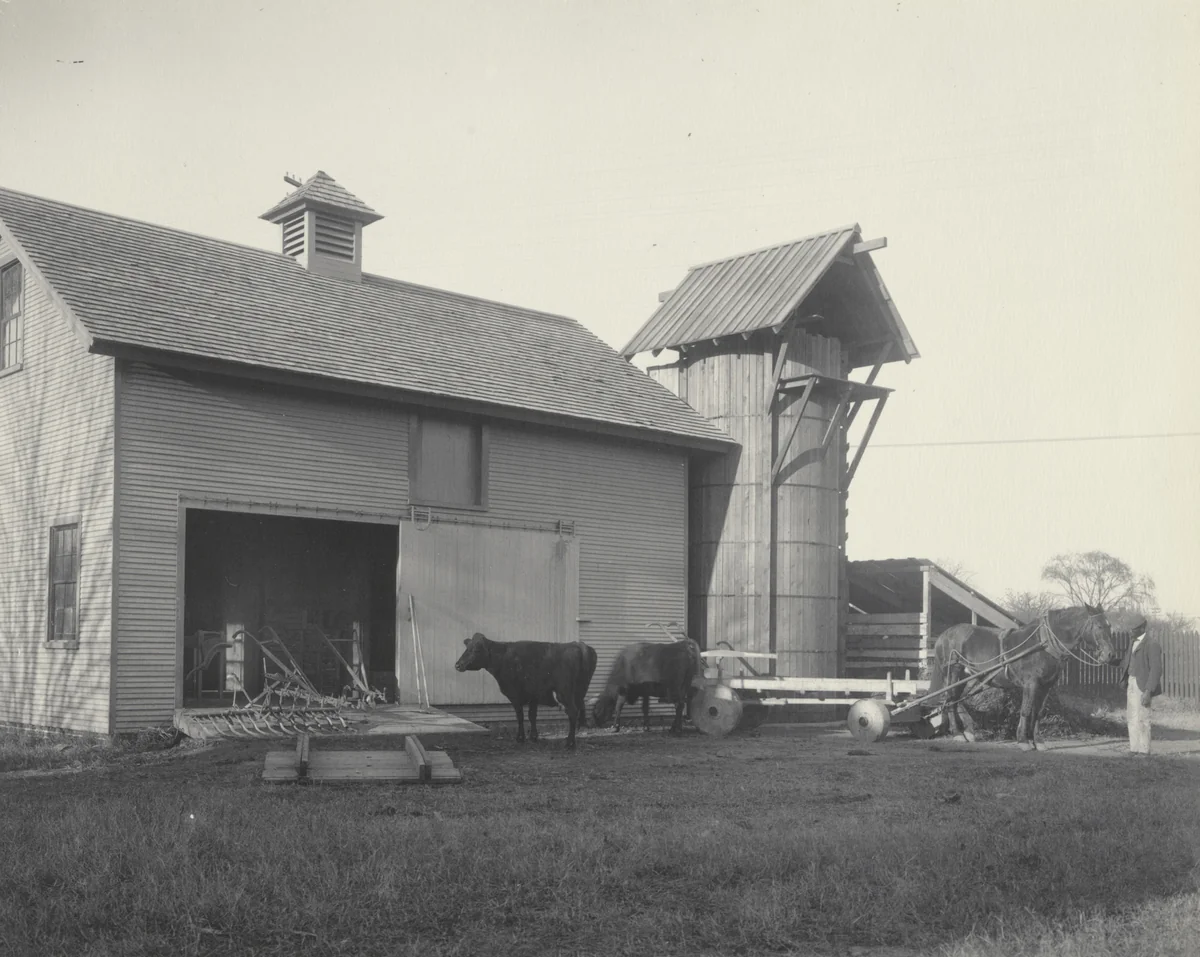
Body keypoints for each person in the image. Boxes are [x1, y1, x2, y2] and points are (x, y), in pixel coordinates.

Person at [1118, 615, 1163, 756]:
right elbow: (1126, 663)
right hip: (1131, 682)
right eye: (1130, 629)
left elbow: (1156, 670)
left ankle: (1144, 751)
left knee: (1143, 718)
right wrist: (1109, 660)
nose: (1130, 631)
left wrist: (1148, 691)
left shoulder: (1152, 644)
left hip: (1143, 686)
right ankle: (1134, 748)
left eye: (1134, 629)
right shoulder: (1132, 642)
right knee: (1132, 717)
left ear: (1143, 628)